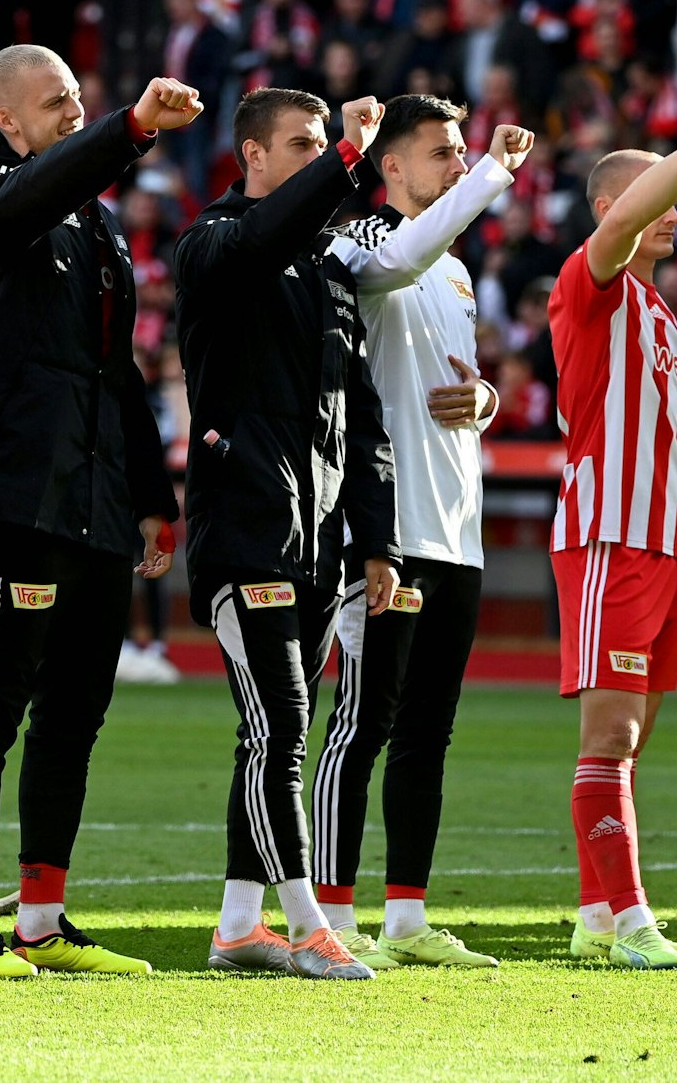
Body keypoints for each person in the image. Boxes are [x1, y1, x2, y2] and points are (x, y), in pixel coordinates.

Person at [0, 46, 191, 975]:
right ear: (6, 120)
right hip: (13, 495)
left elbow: (117, 369)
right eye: (55, 103)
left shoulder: (98, 223)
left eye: (79, 99)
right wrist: (130, 129)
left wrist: (151, 497)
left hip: (97, 501)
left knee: (77, 712)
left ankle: (42, 916)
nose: (74, 112)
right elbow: (23, 200)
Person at [176, 88, 396, 981]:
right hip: (244, 526)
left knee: (266, 734)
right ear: (253, 156)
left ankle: (239, 925)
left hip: (319, 539)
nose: (318, 155)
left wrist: (377, 541)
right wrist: (346, 158)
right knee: (285, 724)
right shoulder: (213, 243)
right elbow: (260, 241)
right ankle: (308, 924)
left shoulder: (329, 270)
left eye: (322, 143)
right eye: (302, 143)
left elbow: (362, 415)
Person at [309, 99, 531, 971]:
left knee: (428, 730)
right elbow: (401, 258)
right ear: (391, 165)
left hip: (457, 530)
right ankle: (331, 912)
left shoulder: (458, 272)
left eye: (463, 151)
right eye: (442, 152)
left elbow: (453, 379)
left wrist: (488, 399)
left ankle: (406, 916)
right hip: (386, 530)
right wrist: (495, 173)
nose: (458, 163)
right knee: (361, 722)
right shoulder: (360, 241)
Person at [551, 99, 677, 971]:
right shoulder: (590, 279)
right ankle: (635, 919)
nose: (676, 211)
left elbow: (670, 448)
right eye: (659, 195)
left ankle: (598, 916)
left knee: (631, 742)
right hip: (608, 536)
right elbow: (629, 220)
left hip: (663, 546)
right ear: (612, 209)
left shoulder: (661, 314)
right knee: (609, 738)